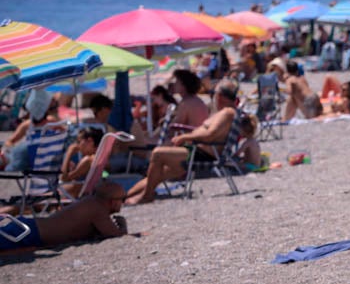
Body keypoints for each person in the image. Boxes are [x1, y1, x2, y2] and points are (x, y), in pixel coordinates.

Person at [123, 82, 239, 205]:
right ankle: (123, 198)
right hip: (195, 151)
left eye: (213, 94)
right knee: (156, 175)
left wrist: (184, 137)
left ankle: (147, 195)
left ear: (219, 96)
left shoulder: (227, 113)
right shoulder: (223, 113)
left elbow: (210, 134)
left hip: (201, 153)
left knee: (157, 154)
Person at [0, 181, 129, 251]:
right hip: (31, 234)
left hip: (30, 227)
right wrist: (122, 224)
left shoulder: (91, 202)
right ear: (112, 201)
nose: (123, 203)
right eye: (122, 199)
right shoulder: (98, 210)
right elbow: (115, 235)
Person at [59, 126, 104, 199]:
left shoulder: (87, 160)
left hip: (70, 194)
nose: (77, 145)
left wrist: (68, 153)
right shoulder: (98, 158)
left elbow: (64, 178)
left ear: (90, 141)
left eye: (79, 141)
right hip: (80, 193)